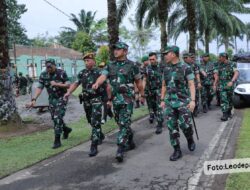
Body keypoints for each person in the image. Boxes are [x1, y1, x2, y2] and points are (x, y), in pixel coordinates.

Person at [92, 41, 145, 162]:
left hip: (127, 99)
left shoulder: (132, 65)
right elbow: (103, 76)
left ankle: (120, 148)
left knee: (124, 123)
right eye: (114, 49)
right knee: (121, 123)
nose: (115, 51)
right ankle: (130, 140)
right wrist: (97, 83)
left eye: (118, 49)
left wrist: (142, 95)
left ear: (125, 51)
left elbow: (138, 82)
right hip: (115, 100)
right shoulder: (110, 65)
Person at [65, 53, 107, 157]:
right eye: (85, 61)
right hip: (86, 100)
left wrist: (107, 98)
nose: (86, 62)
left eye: (88, 60)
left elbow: (104, 81)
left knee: (95, 121)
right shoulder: (82, 73)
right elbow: (76, 84)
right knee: (90, 120)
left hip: (96, 99)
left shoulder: (99, 72)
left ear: (94, 61)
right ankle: (100, 134)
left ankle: (94, 145)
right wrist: (69, 92)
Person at [160, 46, 196, 161]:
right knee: (172, 127)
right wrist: (162, 100)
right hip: (170, 103)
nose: (165, 56)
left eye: (167, 53)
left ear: (173, 54)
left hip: (183, 102)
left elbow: (191, 84)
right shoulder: (165, 69)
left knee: (185, 125)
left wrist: (192, 100)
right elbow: (164, 85)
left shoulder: (186, 68)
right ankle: (177, 150)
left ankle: (190, 138)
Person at [26, 59, 72, 149]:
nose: (49, 69)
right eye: (47, 67)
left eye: (50, 66)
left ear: (54, 65)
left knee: (57, 117)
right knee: (54, 118)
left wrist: (57, 84)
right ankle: (66, 129)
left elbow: (68, 85)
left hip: (62, 98)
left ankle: (57, 140)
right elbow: (40, 87)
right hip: (51, 99)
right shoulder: (44, 75)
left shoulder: (61, 73)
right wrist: (34, 99)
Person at [143, 52, 164, 134]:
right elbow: (144, 79)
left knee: (159, 107)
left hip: (159, 90)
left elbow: (165, 79)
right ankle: (156, 117)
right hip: (149, 91)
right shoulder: (147, 68)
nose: (151, 61)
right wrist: (143, 90)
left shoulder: (161, 67)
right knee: (153, 107)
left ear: (156, 59)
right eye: (150, 59)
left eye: (153, 59)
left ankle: (159, 124)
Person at [216, 52, 239, 121]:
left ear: (224, 57)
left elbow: (236, 73)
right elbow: (217, 74)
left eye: (220, 57)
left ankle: (229, 111)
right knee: (223, 99)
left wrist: (232, 81)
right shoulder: (219, 65)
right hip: (222, 85)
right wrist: (215, 83)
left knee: (230, 99)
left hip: (230, 84)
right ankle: (224, 114)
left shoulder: (232, 64)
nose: (219, 58)